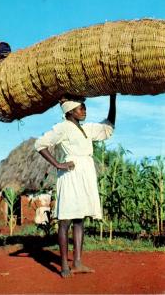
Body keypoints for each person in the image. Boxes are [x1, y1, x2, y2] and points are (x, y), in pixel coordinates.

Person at [35, 94, 116, 278]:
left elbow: (108, 127)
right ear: (70, 112)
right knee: (66, 220)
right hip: (71, 175)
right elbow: (40, 144)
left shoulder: (86, 129)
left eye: (85, 107)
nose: (84, 110)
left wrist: (113, 99)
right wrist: (58, 164)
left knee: (79, 219)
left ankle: (77, 262)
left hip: (85, 174)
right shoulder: (63, 128)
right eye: (81, 108)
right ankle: (64, 265)